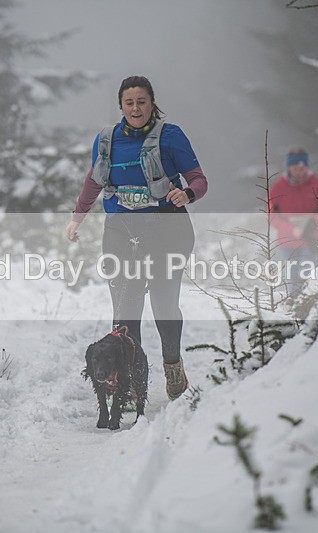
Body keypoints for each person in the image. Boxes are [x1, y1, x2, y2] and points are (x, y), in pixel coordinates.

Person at [66, 75, 208, 401]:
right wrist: (77, 218)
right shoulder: (106, 140)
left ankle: (172, 363)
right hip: (121, 231)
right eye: (129, 102)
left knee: (163, 303)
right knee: (126, 308)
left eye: (141, 101)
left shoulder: (170, 136)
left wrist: (187, 194)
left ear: (152, 103)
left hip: (167, 231)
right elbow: (93, 182)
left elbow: (199, 179)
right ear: (120, 106)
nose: (135, 108)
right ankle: (131, 382)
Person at [267, 148, 318, 295]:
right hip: (287, 241)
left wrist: (314, 222)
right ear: (289, 167)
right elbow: (272, 214)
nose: (299, 171)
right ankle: (294, 305)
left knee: (311, 274)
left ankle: (313, 302)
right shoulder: (278, 187)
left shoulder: (316, 183)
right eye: (296, 168)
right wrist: (291, 229)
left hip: (311, 238)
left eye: (303, 168)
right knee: (293, 278)